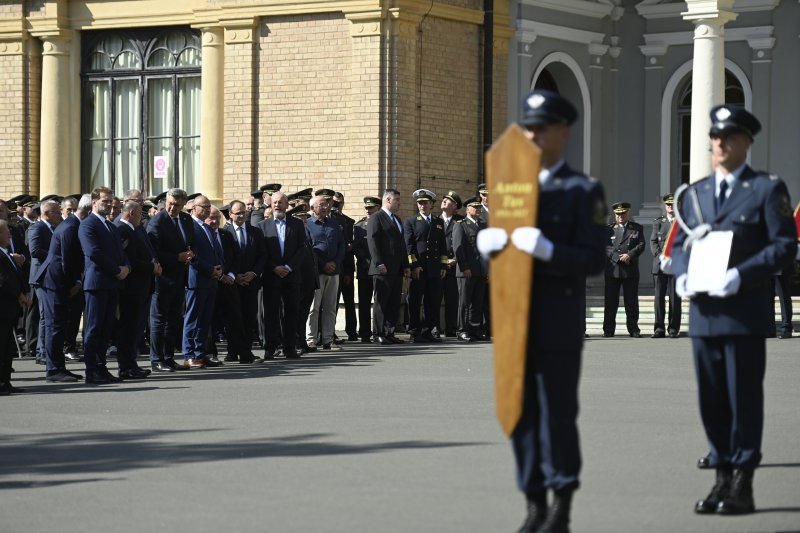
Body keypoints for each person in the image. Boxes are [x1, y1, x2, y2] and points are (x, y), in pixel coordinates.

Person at [477, 89, 608, 532]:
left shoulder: (581, 190)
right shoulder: (509, 185)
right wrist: (487, 249)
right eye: (527, 127)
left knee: (557, 413)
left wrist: (550, 250)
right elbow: (503, 250)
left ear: (561, 133)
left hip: (556, 319)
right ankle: (533, 499)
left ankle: (562, 500)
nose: (531, 135)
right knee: (518, 410)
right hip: (513, 318)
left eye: (541, 128)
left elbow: (594, 259)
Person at [672, 105, 797, 516]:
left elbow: (783, 246)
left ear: (747, 142)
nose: (720, 143)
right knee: (712, 399)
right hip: (705, 314)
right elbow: (680, 246)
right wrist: (682, 275)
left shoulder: (766, 190)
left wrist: (741, 275)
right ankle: (721, 476)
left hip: (743, 310)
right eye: (715, 137)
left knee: (742, 396)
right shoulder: (696, 194)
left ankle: (743, 482)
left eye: (729, 137)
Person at [78, 187, 131, 384]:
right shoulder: (87, 225)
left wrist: (126, 267)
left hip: (112, 284)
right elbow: (94, 253)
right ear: (93, 202)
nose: (108, 204)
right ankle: (92, 369)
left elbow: (121, 252)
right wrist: (117, 270)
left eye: (110, 201)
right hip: (97, 283)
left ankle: (101, 367)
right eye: (104, 201)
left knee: (106, 328)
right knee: (93, 328)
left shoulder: (110, 226)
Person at [146, 188, 195, 372]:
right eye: (170, 204)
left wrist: (191, 253)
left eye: (177, 205)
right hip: (163, 278)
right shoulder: (157, 222)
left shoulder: (186, 219)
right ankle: (156, 359)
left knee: (173, 319)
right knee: (159, 320)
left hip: (180, 277)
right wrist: (177, 257)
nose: (173, 207)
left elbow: (191, 241)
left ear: (183, 205)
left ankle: (168, 357)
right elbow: (154, 251)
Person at [37, 200, 85, 383]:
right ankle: (53, 370)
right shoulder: (69, 228)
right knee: (54, 327)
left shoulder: (70, 225)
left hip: (59, 283)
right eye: (57, 212)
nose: (60, 215)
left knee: (59, 326)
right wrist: (73, 282)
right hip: (55, 282)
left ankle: (60, 367)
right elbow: (67, 260)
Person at [258, 191, 306, 359]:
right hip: (271, 277)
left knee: (291, 313)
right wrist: (274, 267)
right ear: (271, 205)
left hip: (291, 276)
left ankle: (289, 347)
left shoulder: (297, 224)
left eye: (280, 202)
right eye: (275, 202)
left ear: (287, 205)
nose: (277, 205)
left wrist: (288, 266)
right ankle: (270, 348)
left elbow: (302, 248)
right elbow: (262, 252)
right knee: (270, 314)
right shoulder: (262, 226)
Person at [115, 202, 159, 379]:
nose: (143, 216)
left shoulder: (136, 229)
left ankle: (132, 364)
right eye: (141, 213)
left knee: (136, 329)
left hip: (142, 287)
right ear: (131, 213)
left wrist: (154, 263)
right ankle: (125, 366)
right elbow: (130, 260)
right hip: (132, 289)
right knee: (128, 328)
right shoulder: (123, 230)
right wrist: (151, 267)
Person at [183, 195, 223, 369]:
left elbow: (216, 251)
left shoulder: (207, 227)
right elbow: (192, 255)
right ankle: (189, 354)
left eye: (208, 207)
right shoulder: (189, 226)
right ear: (193, 208)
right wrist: (210, 269)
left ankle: (200, 353)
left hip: (211, 280)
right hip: (197, 279)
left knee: (205, 320)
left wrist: (219, 269)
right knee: (193, 318)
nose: (207, 210)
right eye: (203, 206)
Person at [403, 189, 447, 343]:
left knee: (432, 301)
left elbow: (442, 246)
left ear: (431, 204)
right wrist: (414, 265)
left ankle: (430, 330)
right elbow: (409, 246)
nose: (422, 205)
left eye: (425, 203)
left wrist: (443, 266)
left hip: (434, 268)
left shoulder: (438, 222)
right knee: (415, 301)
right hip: (419, 268)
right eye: (419, 203)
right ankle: (415, 331)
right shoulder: (411, 221)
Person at [367, 189, 409, 345]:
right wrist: (379, 262)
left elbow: (401, 245)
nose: (399, 202)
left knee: (393, 302)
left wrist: (405, 265)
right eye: (397, 199)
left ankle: (389, 332)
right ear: (388, 200)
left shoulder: (397, 219)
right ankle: (378, 333)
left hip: (396, 268)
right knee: (381, 301)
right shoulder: (376, 217)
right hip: (383, 268)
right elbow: (372, 242)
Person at [305, 190, 345, 351]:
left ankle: (328, 339)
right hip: (317, 272)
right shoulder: (307, 224)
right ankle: (311, 339)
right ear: (312, 208)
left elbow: (341, 245)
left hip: (334, 272)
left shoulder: (334, 224)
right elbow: (309, 248)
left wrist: (335, 262)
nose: (325, 206)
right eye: (321, 204)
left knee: (330, 307)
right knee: (314, 307)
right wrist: (323, 264)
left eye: (326, 204)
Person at [225, 200, 265, 353]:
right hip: (232, 283)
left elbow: (262, 255)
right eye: (237, 213)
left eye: (244, 212)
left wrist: (253, 273)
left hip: (251, 282)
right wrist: (235, 276)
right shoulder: (225, 232)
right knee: (232, 318)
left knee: (249, 317)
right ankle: (232, 351)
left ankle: (246, 351)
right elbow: (224, 258)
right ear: (230, 214)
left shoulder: (255, 232)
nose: (241, 216)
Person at [26, 200, 61, 364]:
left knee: (47, 316)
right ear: (46, 213)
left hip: (51, 277)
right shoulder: (37, 227)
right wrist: (56, 257)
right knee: (45, 316)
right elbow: (34, 251)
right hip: (41, 276)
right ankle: (41, 352)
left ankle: (43, 350)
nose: (59, 215)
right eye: (56, 212)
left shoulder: (53, 228)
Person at [602, 202, 644, 337]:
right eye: (618, 214)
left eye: (623, 213)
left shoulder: (636, 228)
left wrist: (629, 255)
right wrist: (617, 257)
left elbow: (641, 244)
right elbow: (605, 246)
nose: (620, 216)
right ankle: (608, 330)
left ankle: (633, 329)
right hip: (612, 270)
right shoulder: (609, 229)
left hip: (629, 269)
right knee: (610, 302)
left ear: (628, 213)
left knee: (631, 302)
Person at [1, 219, 32, 395]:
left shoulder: (6, 253)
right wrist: (20, 295)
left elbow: (15, 277)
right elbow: (4, 281)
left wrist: (24, 292)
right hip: (3, 308)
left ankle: (5, 382)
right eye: (6, 233)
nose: (9, 235)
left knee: (7, 349)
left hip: (10, 309)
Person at [452, 196, 488, 342]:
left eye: (480, 207)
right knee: (464, 302)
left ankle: (474, 330)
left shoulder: (484, 225)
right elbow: (458, 249)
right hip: (466, 271)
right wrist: (464, 267)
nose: (478, 210)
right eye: (475, 207)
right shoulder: (460, 225)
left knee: (477, 303)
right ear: (468, 209)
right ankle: (462, 330)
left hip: (480, 270)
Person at [650, 193, 681, 338]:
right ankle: (659, 328)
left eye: (672, 204)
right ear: (665, 206)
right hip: (660, 265)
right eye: (668, 204)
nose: (670, 206)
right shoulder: (658, 222)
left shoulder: (682, 223)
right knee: (659, 297)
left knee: (675, 298)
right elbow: (653, 242)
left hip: (675, 265)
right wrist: (660, 256)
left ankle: (673, 328)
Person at [353, 196, 380, 343]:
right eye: (366, 208)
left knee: (379, 301)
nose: (368, 210)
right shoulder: (360, 225)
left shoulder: (383, 223)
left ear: (378, 208)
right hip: (365, 269)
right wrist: (369, 261)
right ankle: (364, 332)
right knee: (364, 302)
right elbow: (357, 247)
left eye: (371, 208)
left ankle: (378, 331)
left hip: (380, 269)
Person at [332, 192, 357, 341]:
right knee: (332, 303)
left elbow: (350, 250)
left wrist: (349, 272)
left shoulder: (349, 221)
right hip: (334, 267)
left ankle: (352, 331)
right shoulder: (330, 220)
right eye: (334, 203)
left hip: (346, 267)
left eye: (339, 203)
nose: (337, 206)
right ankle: (330, 331)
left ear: (343, 203)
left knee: (349, 302)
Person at [439, 191, 464, 338]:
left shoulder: (460, 221)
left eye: (448, 200)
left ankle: (451, 328)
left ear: (455, 206)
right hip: (439, 266)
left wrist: (455, 258)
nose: (444, 201)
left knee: (452, 299)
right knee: (434, 299)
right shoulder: (435, 220)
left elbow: (463, 244)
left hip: (454, 266)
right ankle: (435, 328)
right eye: (444, 199)